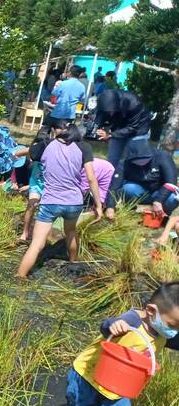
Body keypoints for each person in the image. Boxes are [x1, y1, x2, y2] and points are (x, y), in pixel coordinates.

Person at [55, 282, 179, 406]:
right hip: (88, 377)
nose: (174, 331)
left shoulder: (164, 332)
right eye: (172, 325)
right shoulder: (133, 320)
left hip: (118, 388)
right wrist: (115, 325)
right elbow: (107, 326)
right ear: (151, 311)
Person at [16, 125, 103, 278]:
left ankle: (20, 276)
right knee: (70, 232)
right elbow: (91, 178)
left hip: (50, 202)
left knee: (37, 244)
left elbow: (27, 153)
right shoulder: (84, 147)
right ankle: (73, 264)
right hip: (74, 203)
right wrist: (99, 206)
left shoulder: (47, 145)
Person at [104, 138, 178, 221]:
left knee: (173, 198)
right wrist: (110, 206)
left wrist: (159, 200)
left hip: (159, 191)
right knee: (128, 188)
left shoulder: (162, 156)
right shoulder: (124, 162)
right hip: (139, 191)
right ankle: (131, 210)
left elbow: (171, 182)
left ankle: (162, 216)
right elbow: (114, 186)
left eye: (144, 159)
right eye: (137, 160)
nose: (141, 162)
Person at [94, 89, 152, 168]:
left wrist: (110, 135)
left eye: (111, 111)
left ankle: (128, 177)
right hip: (119, 126)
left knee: (133, 158)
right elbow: (100, 117)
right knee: (113, 157)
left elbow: (132, 127)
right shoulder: (104, 102)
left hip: (139, 128)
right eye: (108, 112)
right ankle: (112, 176)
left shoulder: (135, 104)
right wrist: (98, 128)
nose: (110, 114)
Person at [41, 65, 85, 134]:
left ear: (70, 73)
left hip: (58, 112)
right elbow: (81, 99)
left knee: (46, 128)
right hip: (70, 115)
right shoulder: (82, 87)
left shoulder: (63, 83)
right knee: (63, 132)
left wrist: (54, 101)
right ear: (80, 74)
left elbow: (54, 95)